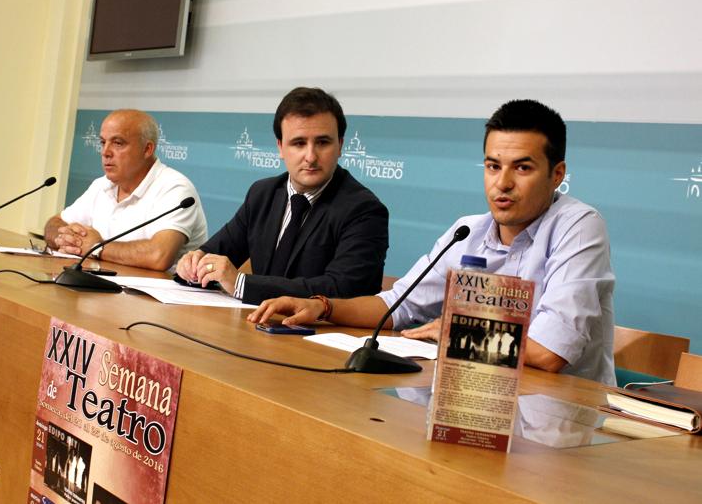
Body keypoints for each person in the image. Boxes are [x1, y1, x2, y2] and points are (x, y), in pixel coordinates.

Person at [249, 99, 616, 385]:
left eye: (522, 168)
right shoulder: (468, 231)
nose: (502, 183)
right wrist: (322, 307)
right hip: (473, 396)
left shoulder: (579, 226)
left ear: (557, 175)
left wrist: (455, 332)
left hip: (563, 415)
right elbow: (396, 306)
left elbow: (551, 353)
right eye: (492, 166)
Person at [176, 87, 389, 305]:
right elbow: (216, 253)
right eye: (299, 143)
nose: (310, 156)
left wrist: (241, 284)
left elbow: (344, 289)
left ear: (340, 145)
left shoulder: (364, 210)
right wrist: (194, 263)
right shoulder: (262, 194)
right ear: (280, 147)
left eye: (323, 142)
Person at [45, 109, 207, 271]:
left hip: (156, 294)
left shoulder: (174, 188)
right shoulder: (101, 185)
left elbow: (159, 255)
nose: (105, 152)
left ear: (147, 149)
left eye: (118, 143)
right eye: (103, 142)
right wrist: (67, 239)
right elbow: (53, 224)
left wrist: (97, 248)